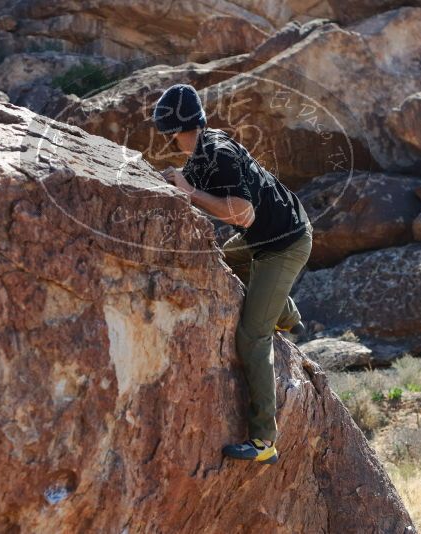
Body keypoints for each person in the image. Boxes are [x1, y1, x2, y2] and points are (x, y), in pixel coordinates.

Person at [152, 83, 313, 465]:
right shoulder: (207, 143)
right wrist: (176, 182)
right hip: (266, 237)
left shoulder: (218, 153)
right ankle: (287, 315)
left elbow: (243, 215)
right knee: (229, 262)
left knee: (252, 336)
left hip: (284, 243)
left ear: (172, 130)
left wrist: (189, 191)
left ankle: (263, 442)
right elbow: (198, 183)